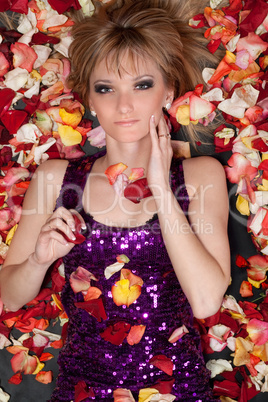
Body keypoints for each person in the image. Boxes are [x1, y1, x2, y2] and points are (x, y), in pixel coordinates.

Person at [0, 0, 230, 400]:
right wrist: (38, 260)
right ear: (90, 99)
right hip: (82, 388)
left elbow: (207, 301)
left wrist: (161, 188)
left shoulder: (199, 176)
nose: (124, 105)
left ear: (167, 92)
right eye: (106, 88)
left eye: (142, 85)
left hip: (178, 389)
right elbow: (10, 294)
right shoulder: (56, 178)